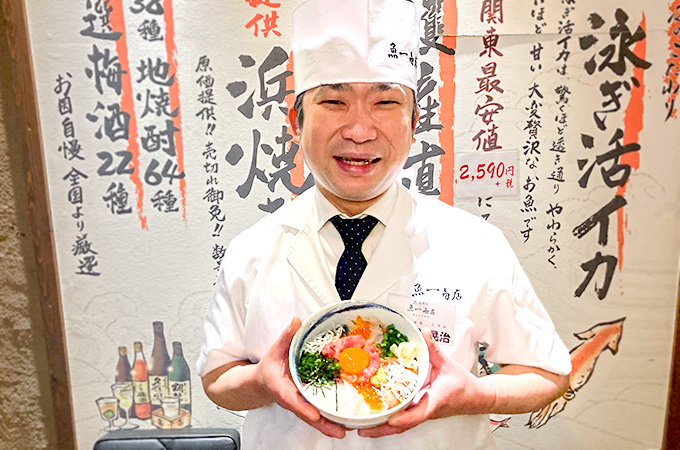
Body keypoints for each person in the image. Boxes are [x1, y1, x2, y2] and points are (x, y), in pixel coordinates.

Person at [198, 0, 571, 449]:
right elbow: (218, 376)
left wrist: (474, 393)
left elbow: (548, 373)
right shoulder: (252, 250)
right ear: (296, 122)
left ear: (414, 124)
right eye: (333, 101)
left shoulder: (476, 245)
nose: (359, 129)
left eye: (385, 102)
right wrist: (262, 379)